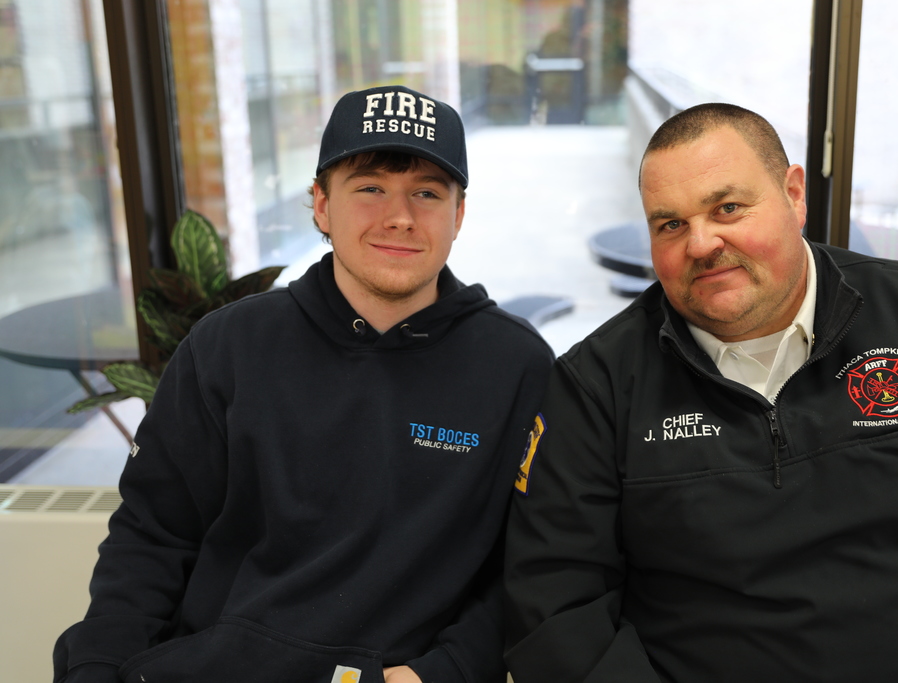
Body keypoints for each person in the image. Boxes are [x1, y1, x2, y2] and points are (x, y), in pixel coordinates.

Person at [504, 103, 898, 682]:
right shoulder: (596, 386)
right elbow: (554, 610)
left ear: (794, 195)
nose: (701, 243)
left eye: (727, 207)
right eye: (670, 224)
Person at [54, 85, 553, 683]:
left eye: (426, 192)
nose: (399, 216)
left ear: (458, 215)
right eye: (370, 188)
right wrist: (97, 666)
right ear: (320, 204)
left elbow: (530, 564)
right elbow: (152, 534)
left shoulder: (516, 365)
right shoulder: (227, 347)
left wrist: (442, 671)